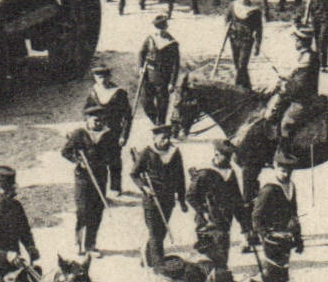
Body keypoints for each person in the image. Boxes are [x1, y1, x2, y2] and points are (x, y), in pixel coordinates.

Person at [132, 124, 186, 268]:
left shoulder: (175, 153)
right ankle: (158, 266)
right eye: (163, 138)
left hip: (168, 199)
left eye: (168, 137)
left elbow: (180, 177)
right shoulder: (147, 153)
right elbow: (134, 174)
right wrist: (144, 187)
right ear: (154, 138)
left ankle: (147, 255)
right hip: (151, 200)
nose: (166, 141)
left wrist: (182, 199)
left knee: (161, 232)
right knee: (155, 233)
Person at [63, 106, 114, 256]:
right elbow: (65, 151)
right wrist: (78, 161)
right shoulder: (79, 134)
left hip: (100, 178)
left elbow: (113, 154)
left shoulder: (108, 134)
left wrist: (106, 160)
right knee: (83, 211)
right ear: (87, 119)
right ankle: (78, 243)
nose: (99, 123)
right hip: (83, 179)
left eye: (101, 120)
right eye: (96, 120)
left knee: (97, 211)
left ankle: (90, 245)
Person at [189, 140, 246, 267]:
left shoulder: (229, 173)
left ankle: (221, 280)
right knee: (208, 257)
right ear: (216, 154)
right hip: (206, 222)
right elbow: (191, 196)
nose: (227, 161)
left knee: (223, 255)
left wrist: (245, 225)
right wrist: (202, 211)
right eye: (225, 157)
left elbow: (236, 200)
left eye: (229, 157)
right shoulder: (204, 173)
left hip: (224, 221)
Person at [84, 64, 132, 194]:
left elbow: (127, 116)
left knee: (114, 160)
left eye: (104, 77)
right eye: (98, 77)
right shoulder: (93, 92)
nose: (102, 80)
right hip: (98, 132)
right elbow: (86, 111)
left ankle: (115, 187)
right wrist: (89, 124)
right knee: (99, 162)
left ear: (109, 77)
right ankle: (101, 189)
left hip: (114, 131)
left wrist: (124, 135)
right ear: (95, 78)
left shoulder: (119, 93)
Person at [251, 154, 303, 256]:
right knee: (274, 268)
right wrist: (265, 235)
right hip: (272, 237)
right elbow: (256, 215)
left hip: (286, 236)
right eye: (283, 171)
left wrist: (298, 238)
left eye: (289, 172)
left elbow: (294, 213)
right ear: (275, 167)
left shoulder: (291, 186)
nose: (286, 175)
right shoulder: (269, 189)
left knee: (283, 268)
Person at [138, 13, 180, 127]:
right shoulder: (150, 39)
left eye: (162, 28)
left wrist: (172, 82)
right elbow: (142, 53)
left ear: (166, 28)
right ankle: (155, 121)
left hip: (163, 77)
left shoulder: (172, 44)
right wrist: (141, 67)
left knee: (162, 105)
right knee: (145, 102)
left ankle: (160, 126)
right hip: (148, 76)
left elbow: (176, 65)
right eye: (157, 28)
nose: (160, 31)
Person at [224, 0, 263, 90]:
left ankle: (237, 87)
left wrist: (258, 46)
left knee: (242, 65)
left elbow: (259, 29)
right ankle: (247, 87)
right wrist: (228, 27)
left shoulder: (255, 11)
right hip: (234, 38)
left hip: (247, 40)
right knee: (238, 66)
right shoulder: (232, 6)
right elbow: (226, 19)